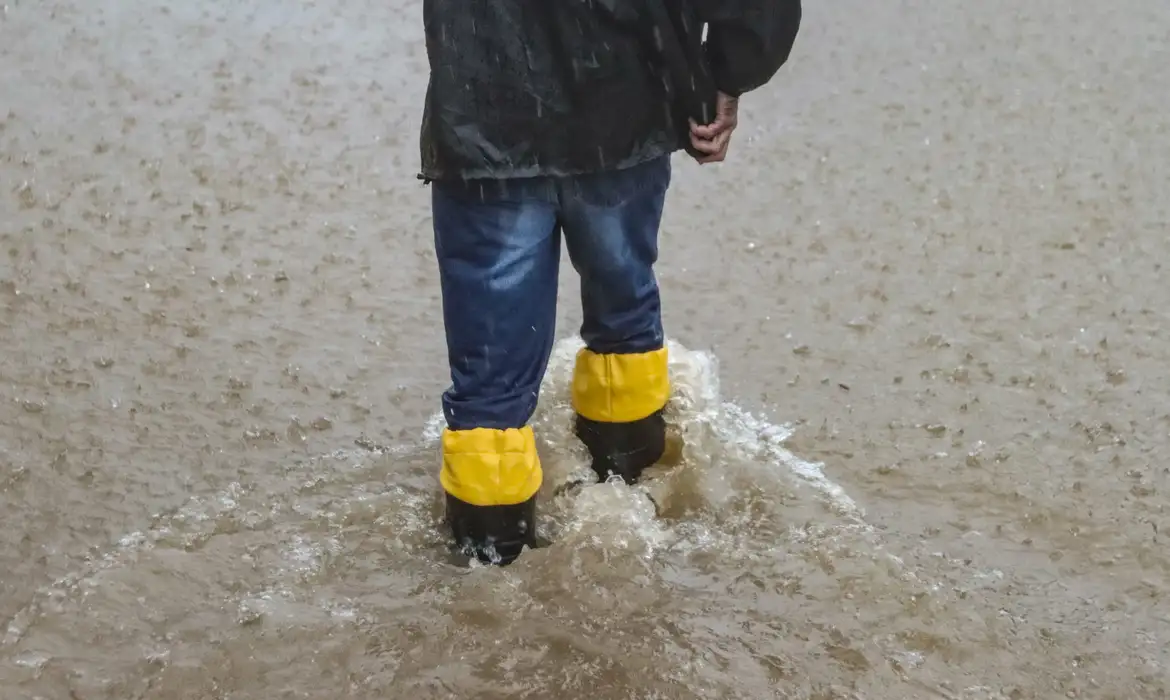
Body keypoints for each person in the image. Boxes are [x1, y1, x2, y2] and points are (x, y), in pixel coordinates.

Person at [418, 0, 802, 565]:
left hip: (484, 115)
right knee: (624, 319)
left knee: (490, 388)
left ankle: (487, 567)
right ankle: (630, 503)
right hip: (623, 106)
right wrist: (727, 75)